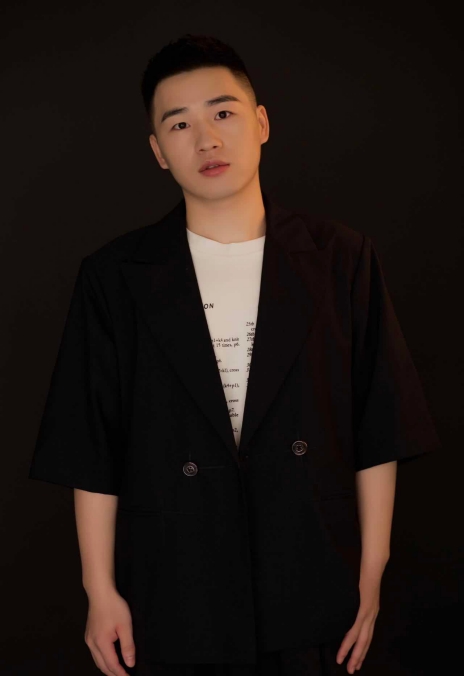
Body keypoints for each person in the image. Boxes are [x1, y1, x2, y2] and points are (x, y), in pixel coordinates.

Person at [29, 34, 442, 676]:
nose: (206, 140)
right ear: (158, 151)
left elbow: (379, 426)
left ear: (262, 123)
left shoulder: (341, 259)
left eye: (223, 112)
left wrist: (372, 572)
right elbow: (92, 445)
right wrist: (98, 589)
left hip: (313, 577)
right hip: (173, 584)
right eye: (179, 124)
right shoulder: (114, 278)